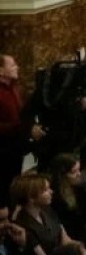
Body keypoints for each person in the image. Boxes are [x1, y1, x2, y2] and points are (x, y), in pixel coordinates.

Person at [0, 56, 39, 203]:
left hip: (16, 147)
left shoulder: (16, 89)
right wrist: (20, 126)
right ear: (1, 70)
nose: (17, 67)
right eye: (13, 65)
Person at [10, 172, 69, 255]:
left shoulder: (47, 210)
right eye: (46, 190)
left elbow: (64, 236)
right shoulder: (20, 225)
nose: (51, 191)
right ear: (31, 197)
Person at [48, 154, 85, 238]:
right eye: (73, 172)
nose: (79, 174)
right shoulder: (54, 194)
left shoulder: (80, 188)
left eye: (79, 170)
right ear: (62, 175)